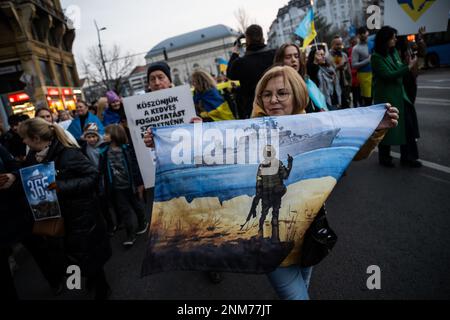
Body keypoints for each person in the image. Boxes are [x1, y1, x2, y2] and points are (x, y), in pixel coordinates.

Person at [251, 65, 398, 300]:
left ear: (297, 94)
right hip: (273, 239)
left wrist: (374, 131)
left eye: (282, 93)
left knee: (303, 287)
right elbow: (216, 153)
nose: (273, 100)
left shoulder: (316, 125)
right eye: (267, 94)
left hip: (310, 234)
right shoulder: (248, 131)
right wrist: (194, 134)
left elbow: (352, 152)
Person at [19, 117, 112, 300]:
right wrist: (16, 178)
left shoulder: (68, 154)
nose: (23, 141)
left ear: (36, 138)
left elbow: (93, 176)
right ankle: (89, 279)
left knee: (90, 254)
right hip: (57, 217)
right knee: (74, 256)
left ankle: (103, 289)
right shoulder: (32, 157)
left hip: (81, 216)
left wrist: (61, 186)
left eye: (25, 138)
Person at [372, 26, 421, 168]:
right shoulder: (376, 57)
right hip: (387, 99)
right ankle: (384, 157)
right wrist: (408, 67)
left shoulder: (393, 53)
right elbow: (388, 75)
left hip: (401, 96)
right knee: (386, 130)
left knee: (408, 128)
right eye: (393, 37)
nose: (395, 39)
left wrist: (407, 65)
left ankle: (409, 158)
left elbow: (399, 69)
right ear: (385, 39)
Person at [99, 124, 148, 247]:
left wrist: (139, 183)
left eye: (106, 134)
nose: (103, 136)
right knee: (124, 211)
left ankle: (142, 223)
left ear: (114, 136)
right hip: (117, 188)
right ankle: (130, 235)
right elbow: (102, 171)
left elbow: (135, 168)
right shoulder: (104, 151)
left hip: (130, 186)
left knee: (136, 205)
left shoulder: (127, 149)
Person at [0, 145, 33, 299]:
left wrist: (12, 175)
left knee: (35, 243)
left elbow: (14, 166)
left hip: (13, 207)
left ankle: (55, 279)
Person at [227, 24, 276, 119]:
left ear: (247, 40)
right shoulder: (275, 55)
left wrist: (236, 51)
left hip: (253, 109)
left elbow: (230, 75)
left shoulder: (240, 63)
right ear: (262, 37)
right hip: (275, 104)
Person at [273, 43, 326, 113]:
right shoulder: (276, 85)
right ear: (280, 60)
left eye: (296, 56)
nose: (293, 60)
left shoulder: (307, 82)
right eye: (288, 57)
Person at [327, 36, 352, 108]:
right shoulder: (328, 57)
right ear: (332, 45)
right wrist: (337, 67)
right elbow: (328, 72)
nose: (339, 46)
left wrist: (350, 84)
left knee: (347, 106)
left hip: (344, 85)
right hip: (334, 86)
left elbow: (348, 71)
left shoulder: (344, 55)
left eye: (340, 44)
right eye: (337, 44)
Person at [352, 27, 373, 106]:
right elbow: (354, 65)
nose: (364, 35)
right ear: (358, 36)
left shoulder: (372, 43)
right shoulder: (356, 48)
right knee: (368, 100)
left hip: (376, 74)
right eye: (361, 34)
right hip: (364, 75)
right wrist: (367, 60)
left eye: (365, 33)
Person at [347, 36, 362, 107]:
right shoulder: (353, 52)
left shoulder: (351, 53)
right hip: (355, 78)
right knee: (357, 95)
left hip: (355, 78)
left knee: (356, 95)